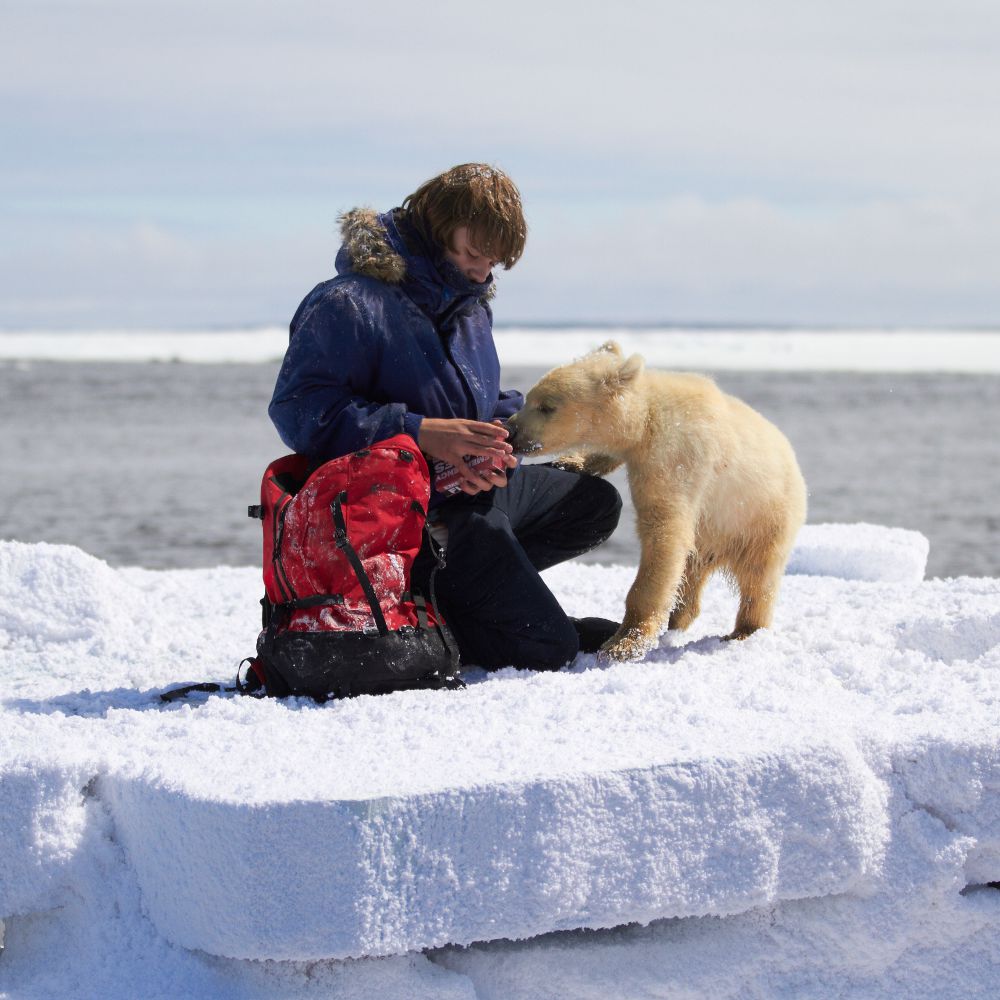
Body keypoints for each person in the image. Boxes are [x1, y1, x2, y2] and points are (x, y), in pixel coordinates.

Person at [268, 163, 621, 671]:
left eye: (493, 261)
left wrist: (502, 436)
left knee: (594, 504)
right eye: (474, 253)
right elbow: (300, 412)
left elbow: (474, 398)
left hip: (468, 491)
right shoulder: (348, 303)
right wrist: (421, 433)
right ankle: (451, 602)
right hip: (406, 518)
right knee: (551, 650)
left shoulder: (470, 306)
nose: (483, 271)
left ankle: (459, 603)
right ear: (437, 230)